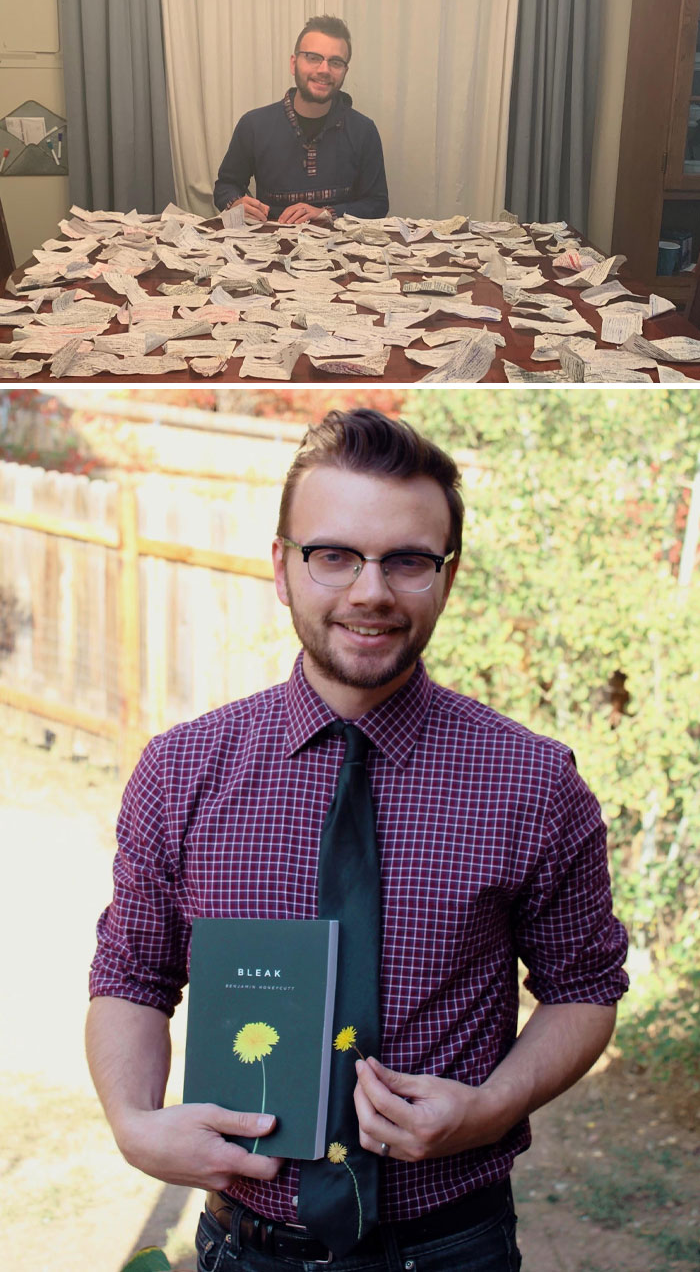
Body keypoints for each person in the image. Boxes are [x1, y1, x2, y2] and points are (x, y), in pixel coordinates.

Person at [87, 408, 628, 1272]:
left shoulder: (534, 782)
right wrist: (131, 1121)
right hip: (245, 1243)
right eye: (332, 554)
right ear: (281, 566)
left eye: (407, 559)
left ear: (447, 576)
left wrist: (489, 1107)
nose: (369, 590)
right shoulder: (181, 770)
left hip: (451, 1244)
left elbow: (586, 988)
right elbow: (132, 974)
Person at [213, 15, 389, 224]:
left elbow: (377, 204)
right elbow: (225, 185)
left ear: (345, 71)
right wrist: (235, 203)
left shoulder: (363, 130)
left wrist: (326, 213)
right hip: (270, 247)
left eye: (335, 62)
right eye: (313, 57)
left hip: (339, 249)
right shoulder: (253, 125)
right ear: (293, 63)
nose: (324, 70)